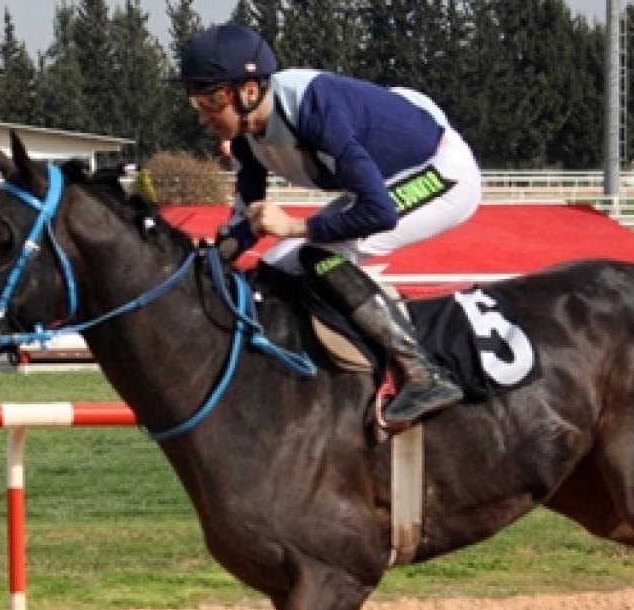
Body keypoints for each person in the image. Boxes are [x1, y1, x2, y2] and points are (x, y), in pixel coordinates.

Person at [170, 22, 483, 428]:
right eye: (197, 104)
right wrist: (211, 260)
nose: (203, 118)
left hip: (440, 172)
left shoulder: (314, 107)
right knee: (278, 266)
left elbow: (379, 213)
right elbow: (244, 226)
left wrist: (297, 227)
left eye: (209, 102)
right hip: (387, 180)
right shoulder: (248, 137)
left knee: (317, 253)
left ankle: (423, 372)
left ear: (247, 91)